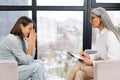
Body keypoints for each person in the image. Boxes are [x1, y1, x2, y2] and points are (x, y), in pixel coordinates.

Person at [66, 7, 120, 80]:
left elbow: (114, 61)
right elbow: (101, 55)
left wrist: (92, 63)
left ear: (101, 18)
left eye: (92, 18)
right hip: (100, 67)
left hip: (108, 71)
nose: (90, 21)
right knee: (79, 74)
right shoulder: (99, 35)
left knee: (79, 63)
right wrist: (89, 57)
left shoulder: (110, 35)